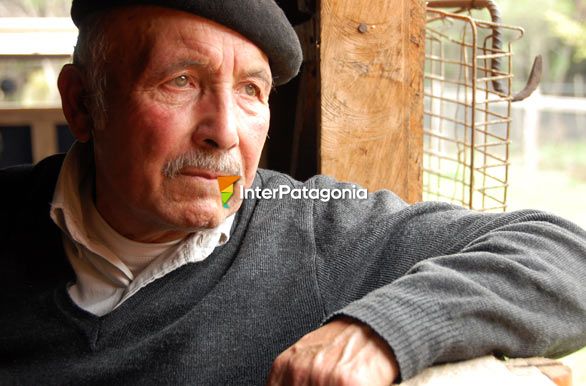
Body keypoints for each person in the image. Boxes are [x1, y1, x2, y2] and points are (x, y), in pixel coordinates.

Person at [1, 1, 585, 385]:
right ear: (82, 103)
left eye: (251, 91)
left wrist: (385, 328)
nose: (224, 131)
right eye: (182, 81)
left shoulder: (313, 228)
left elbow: (567, 255)